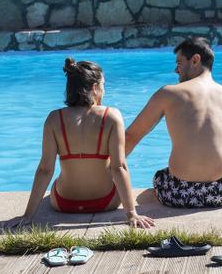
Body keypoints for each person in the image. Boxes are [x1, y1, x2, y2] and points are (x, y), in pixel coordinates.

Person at [10, 59, 155, 228]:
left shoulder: (54, 119)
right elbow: (119, 167)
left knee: (56, 184)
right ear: (94, 88)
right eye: (103, 85)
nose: (104, 91)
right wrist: (131, 214)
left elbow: (45, 169)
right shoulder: (111, 116)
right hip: (106, 202)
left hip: (64, 203)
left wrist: (28, 216)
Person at [125, 38, 222, 208]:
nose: (175, 70)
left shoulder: (168, 93)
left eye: (179, 63)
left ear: (195, 60)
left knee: (160, 176)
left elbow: (131, 136)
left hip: (175, 193)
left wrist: (108, 169)